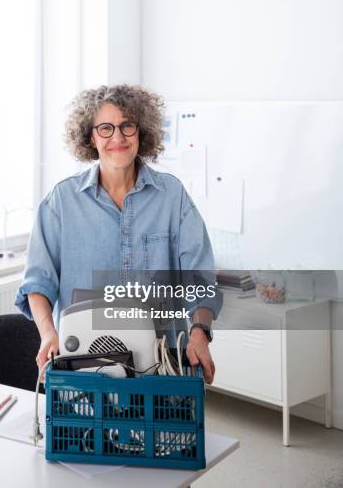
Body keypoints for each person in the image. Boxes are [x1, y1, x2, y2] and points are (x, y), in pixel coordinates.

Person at [14, 84, 221, 384]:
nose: (118, 138)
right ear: (91, 136)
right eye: (106, 128)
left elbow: (200, 279)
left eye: (127, 126)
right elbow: (37, 284)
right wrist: (48, 333)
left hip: (160, 372)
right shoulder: (61, 201)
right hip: (83, 372)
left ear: (141, 132)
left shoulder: (172, 196)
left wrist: (199, 333)